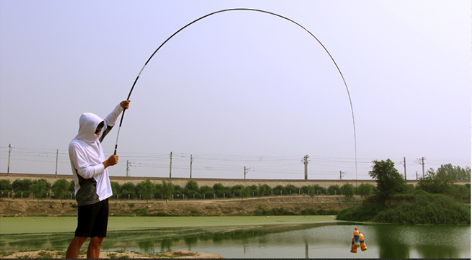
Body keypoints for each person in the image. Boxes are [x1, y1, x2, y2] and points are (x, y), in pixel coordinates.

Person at [66, 100, 130, 258]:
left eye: (100, 129)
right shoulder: (76, 146)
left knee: (98, 238)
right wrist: (106, 163)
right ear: (88, 128)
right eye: (97, 129)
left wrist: (120, 108)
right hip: (89, 196)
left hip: (103, 194)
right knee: (81, 236)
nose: (100, 131)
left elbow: (109, 122)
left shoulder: (95, 140)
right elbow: (84, 172)